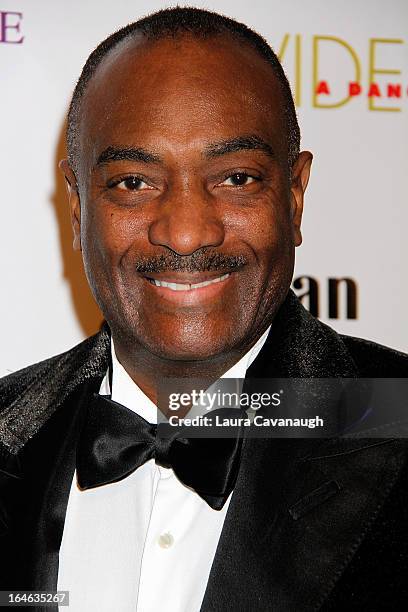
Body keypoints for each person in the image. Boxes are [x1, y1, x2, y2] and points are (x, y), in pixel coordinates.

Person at [1, 7, 407, 611]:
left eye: (236, 178)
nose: (187, 233)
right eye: (134, 183)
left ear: (294, 197)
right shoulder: (10, 427)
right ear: (80, 206)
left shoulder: (394, 420)